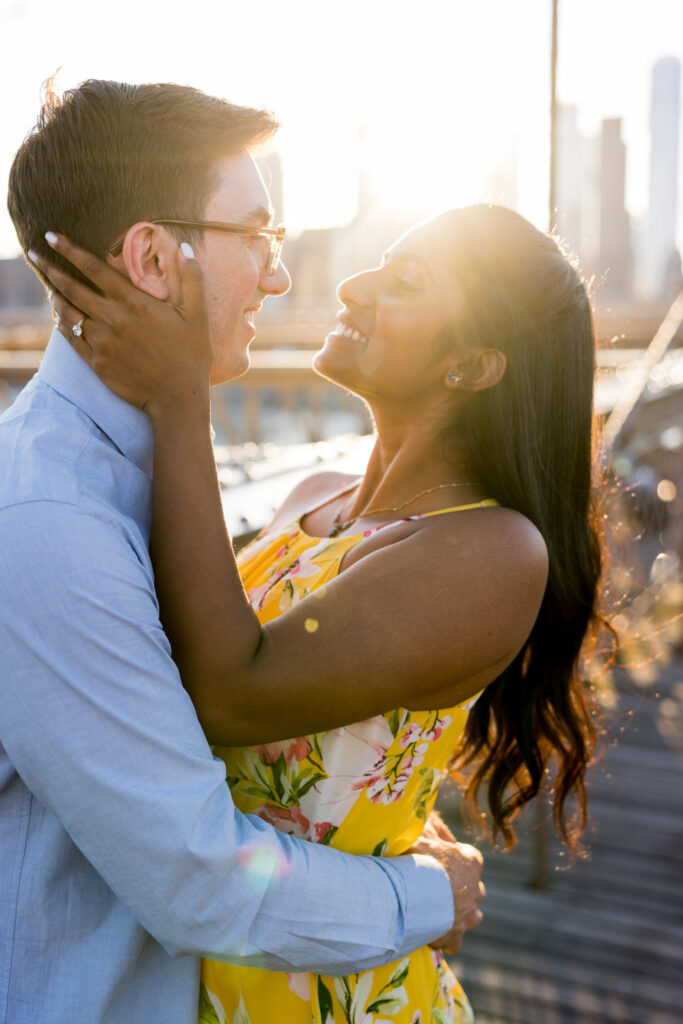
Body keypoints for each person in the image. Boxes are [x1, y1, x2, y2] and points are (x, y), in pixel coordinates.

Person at [34, 193, 606, 1023]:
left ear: (473, 364)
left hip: (334, 993)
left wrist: (179, 393)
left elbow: (228, 694)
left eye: (403, 280)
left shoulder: (493, 550)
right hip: (217, 954)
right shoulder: (313, 500)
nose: (352, 288)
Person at [0, 80, 485, 1024]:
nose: (278, 276)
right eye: (257, 235)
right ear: (152, 256)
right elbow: (201, 881)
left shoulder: (136, 463)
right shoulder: (48, 520)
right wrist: (428, 897)